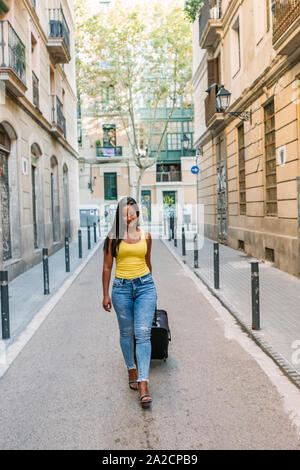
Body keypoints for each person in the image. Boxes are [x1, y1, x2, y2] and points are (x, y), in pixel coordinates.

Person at [102, 196, 157, 408]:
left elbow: (148, 263)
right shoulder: (112, 238)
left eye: (132, 212)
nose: (129, 216)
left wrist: (152, 292)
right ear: (119, 216)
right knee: (126, 332)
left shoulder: (147, 236)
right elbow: (107, 267)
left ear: (137, 214)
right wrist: (105, 294)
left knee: (143, 333)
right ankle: (131, 368)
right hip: (121, 289)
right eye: (125, 213)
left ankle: (143, 382)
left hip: (145, 287)